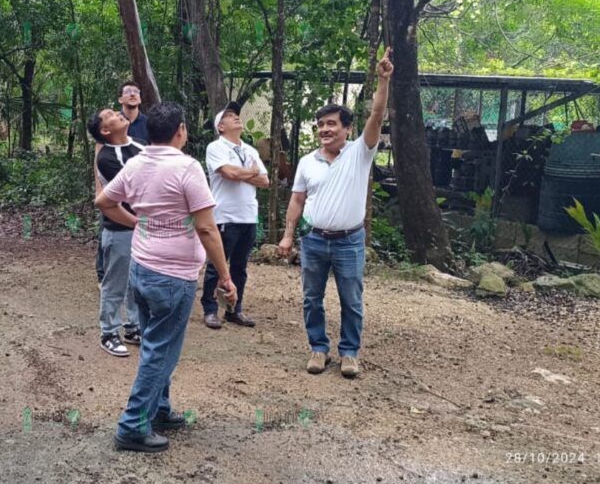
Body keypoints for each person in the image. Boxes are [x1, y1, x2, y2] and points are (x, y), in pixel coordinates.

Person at [96, 101, 237, 453]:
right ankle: (131, 426)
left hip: (142, 268)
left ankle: (158, 410)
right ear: (181, 131)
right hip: (173, 276)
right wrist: (225, 275)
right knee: (162, 352)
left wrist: (138, 222)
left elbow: (104, 201)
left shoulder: (137, 162)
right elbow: (206, 228)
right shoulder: (187, 168)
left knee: (155, 344)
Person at [278, 48, 394, 378]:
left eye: (331, 124)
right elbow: (297, 200)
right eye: (320, 126)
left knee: (351, 300)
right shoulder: (306, 162)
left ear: (347, 128)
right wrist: (288, 235)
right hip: (314, 241)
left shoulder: (360, 152)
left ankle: (349, 353)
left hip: (349, 241)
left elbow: (377, 115)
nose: (325, 130)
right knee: (311, 298)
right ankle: (318, 348)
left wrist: (383, 81)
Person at [200, 101, 269, 329]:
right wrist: (250, 172)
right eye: (229, 116)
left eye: (236, 115)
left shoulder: (251, 150)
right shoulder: (216, 148)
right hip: (224, 215)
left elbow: (265, 180)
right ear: (220, 127)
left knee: (240, 266)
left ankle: (234, 309)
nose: (236, 118)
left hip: (248, 215)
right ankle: (210, 309)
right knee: (216, 264)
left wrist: (242, 174)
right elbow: (227, 172)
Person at [88, 108, 145, 357]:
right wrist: (136, 222)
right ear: (105, 130)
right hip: (120, 228)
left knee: (136, 281)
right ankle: (109, 331)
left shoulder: (142, 147)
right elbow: (132, 189)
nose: (118, 113)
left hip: (143, 227)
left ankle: (133, 326)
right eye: (110, 114)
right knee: (115, 281)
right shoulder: (107, 158)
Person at [95, 80, 150, 283]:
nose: (133, 94)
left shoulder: (148, 125)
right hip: (115, 192)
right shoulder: (109, 124)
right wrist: (98, 188)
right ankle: (103, 274)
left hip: (143, 203)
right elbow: (99, 157)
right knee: (109, 229)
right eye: (128, 92)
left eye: (136, 91)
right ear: (121, 99)